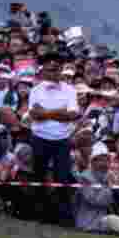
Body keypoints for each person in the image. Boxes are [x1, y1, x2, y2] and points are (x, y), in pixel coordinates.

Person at [28, 52, 80, 225]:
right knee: (38, 176)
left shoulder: (70, 90)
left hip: (62, 139)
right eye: (49, 70)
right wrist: (59, 112)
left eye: (56, 69)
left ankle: (63, 218)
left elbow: (72, 115)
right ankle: (39, 214)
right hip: (39, 137)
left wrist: (46, 113)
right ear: (43, 71)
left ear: (60, 70)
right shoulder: (35, 90)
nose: (53, 73)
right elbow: (35, 115)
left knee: (62, 178)